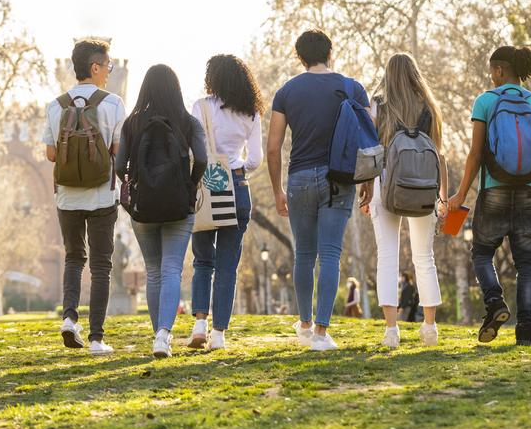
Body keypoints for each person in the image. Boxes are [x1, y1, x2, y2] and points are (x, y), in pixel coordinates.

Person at [448, 45, 531, 347]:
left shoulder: (486, 101)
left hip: (494, 189)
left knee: (482, 253)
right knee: (526, 262)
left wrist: (459, 194)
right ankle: (525, 331)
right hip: (529, 191)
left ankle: (495, 303)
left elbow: (474, 154)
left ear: (499, 70)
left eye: (492, 72)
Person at [266, 29, 372, 352]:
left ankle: (304, 323)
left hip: (298, 178)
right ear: (331, 52)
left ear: (300, 57)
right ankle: (322, 334)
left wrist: (277, 190)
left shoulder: (286, 92)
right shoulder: (352, 88)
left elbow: (272, 148)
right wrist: (368, 181)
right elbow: (368, 139)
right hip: (338, 178)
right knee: (329, 254)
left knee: (304, 255)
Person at [115, 64, 206, 358]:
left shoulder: (132, 123)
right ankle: (163, 336)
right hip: (180, 205)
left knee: (153, 270)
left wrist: (132, 187)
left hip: (143, 208)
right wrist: (189, 186)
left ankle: (159, 335)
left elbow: (118, 167)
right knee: (171, 270)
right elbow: (202, 160)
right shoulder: (188, 122)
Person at [42, 39, 126, 355]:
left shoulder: (55, 105)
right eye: (108, 66)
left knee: (74, 257)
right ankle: (96, 339)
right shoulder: (113, 104)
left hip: (67, 197)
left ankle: (69, 317)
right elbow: (118, 149)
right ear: (94, 67)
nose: (109, 71)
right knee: (102, 265)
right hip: (102, 196)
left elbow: (51, 153)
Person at [366, 52, 447, 348]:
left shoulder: (378, 105)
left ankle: (391, 330)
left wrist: (366, 190)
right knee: (424, 258)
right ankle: (429, 327)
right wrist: (443, 197)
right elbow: (439, 155)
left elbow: (371, 151)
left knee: (387, 256)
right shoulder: (429, 107)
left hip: (386, 186)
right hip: (425, 188)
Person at [188, 54, 264, 351]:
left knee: (203, 260)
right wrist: (237, 164)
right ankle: (219, 334)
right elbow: (255, 160)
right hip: (237, 186)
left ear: (213, 78)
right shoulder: (252, 112)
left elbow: (194, 150)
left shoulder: (201, 107)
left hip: (207, 186)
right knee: (228, 265)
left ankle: (198, 325)